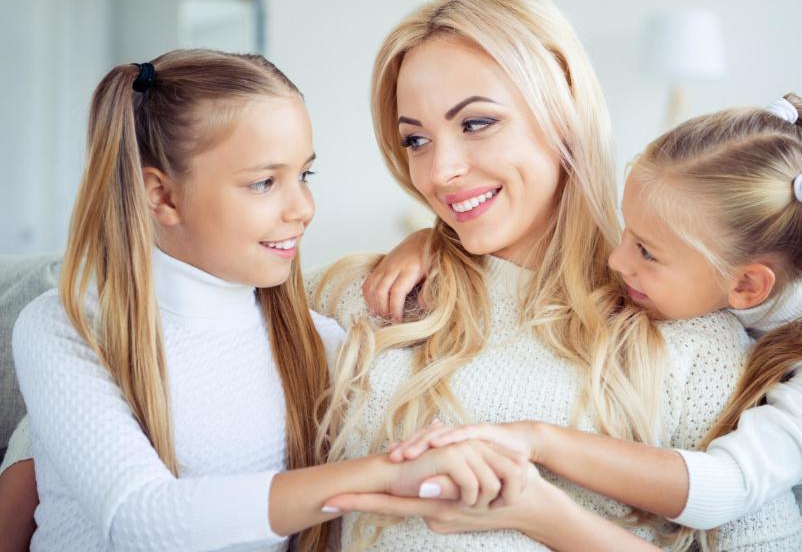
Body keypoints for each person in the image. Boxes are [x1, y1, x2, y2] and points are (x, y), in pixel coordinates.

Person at [308, 0, 802, 551]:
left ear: (564, 111)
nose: (439, 171)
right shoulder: (364, 293)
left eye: (476, 123)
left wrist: (544, 514)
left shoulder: (687, 336)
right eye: (416, 140)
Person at [6, 50, 529, 552]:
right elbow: (141, 520)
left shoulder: (315, 340)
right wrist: (387, 472)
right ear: (161, 196)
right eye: (263, 183)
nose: (302, 207)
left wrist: (435, 240)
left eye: (305, 175)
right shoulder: (66, 325)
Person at [366, 94, 802, 531]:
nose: (615, 260)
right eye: (627, 232)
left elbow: (726, 489)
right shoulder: (721, 254)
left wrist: (538, 440)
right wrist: (438, 240)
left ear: (747, 287)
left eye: (645, 251)